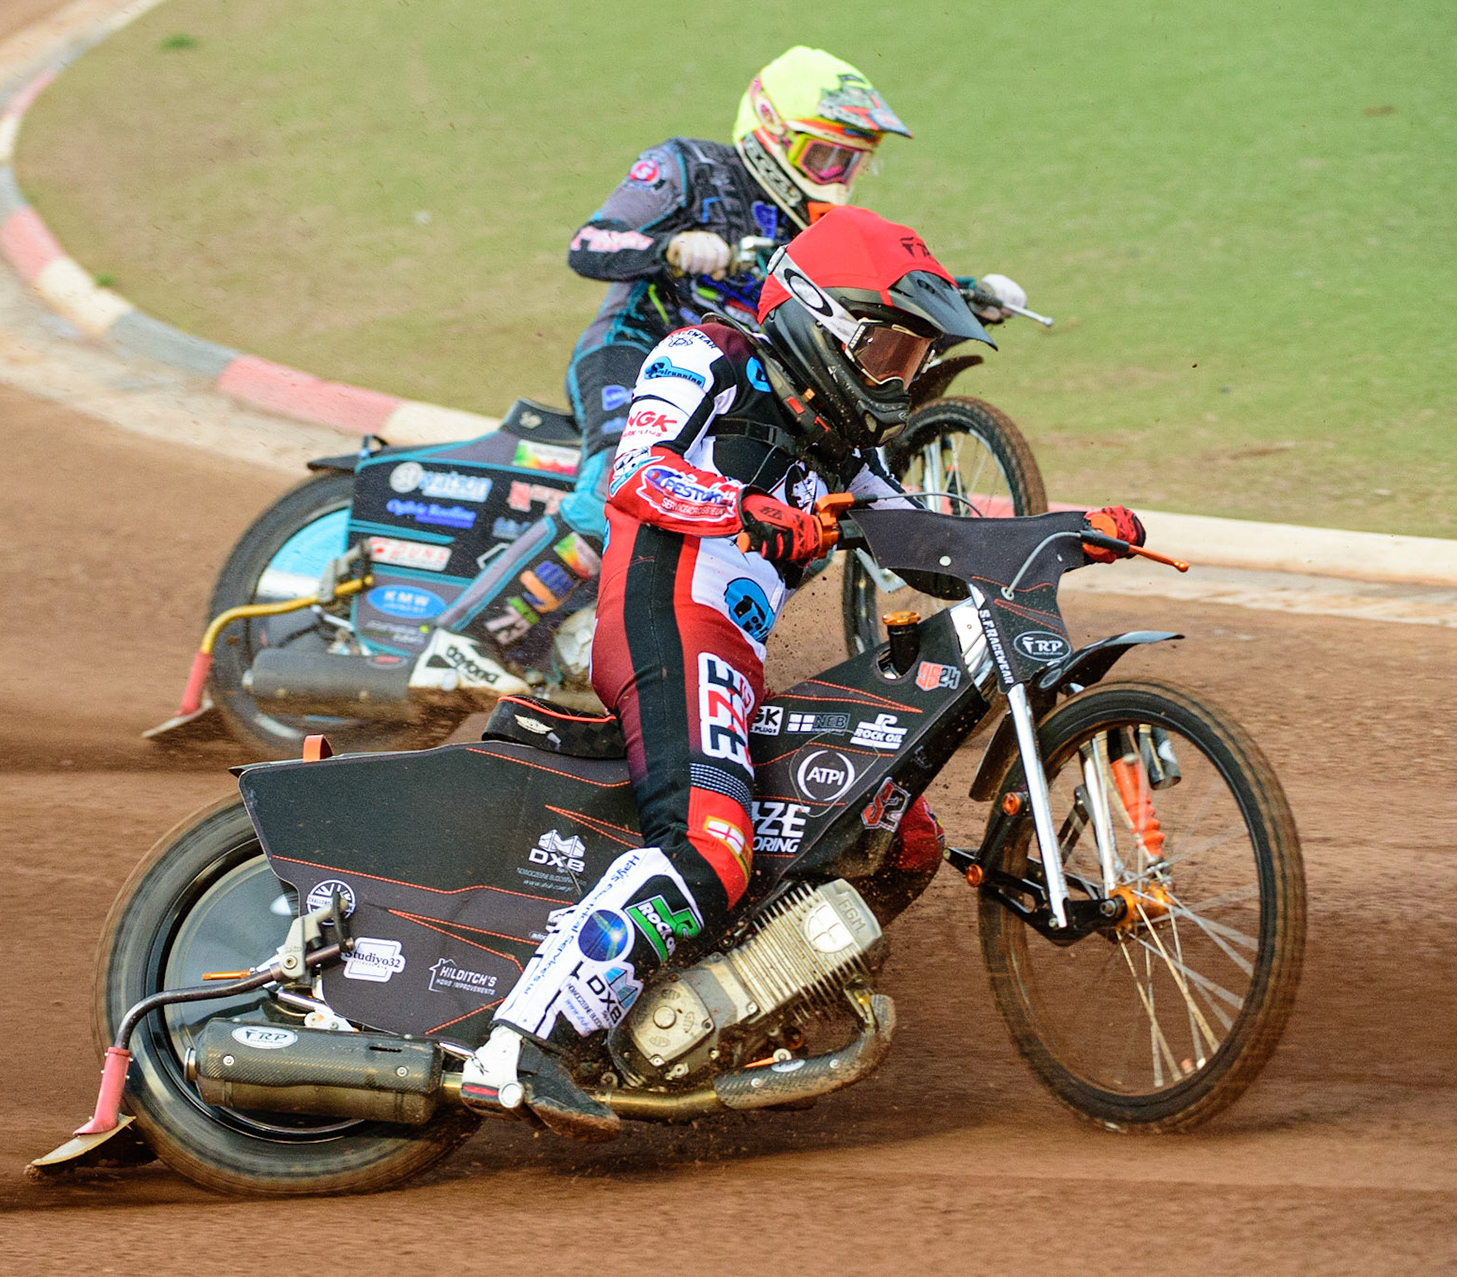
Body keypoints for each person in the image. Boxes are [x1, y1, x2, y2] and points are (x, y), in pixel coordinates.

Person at [462, 206, 1141, 1140]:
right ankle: (522, 1040)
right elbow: (633, 473)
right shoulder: (705, 353)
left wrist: (1067, 533)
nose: (899, 377)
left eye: (911, 358)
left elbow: (933, 544)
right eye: (885, 350)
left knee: (891, 837)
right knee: (709, 844)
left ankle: (720, 1012)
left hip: (732, 655)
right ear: (821, 319)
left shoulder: (844, 448)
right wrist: (743, 506)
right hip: (664, 624)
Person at [410, 47, 916, 697]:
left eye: (852, 161)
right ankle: (464, 638)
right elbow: (590, 244)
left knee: (794, 509)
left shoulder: (820, 229)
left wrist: (955, 293)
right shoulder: (689, 167)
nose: (838, 176)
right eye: (826, 156)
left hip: (731, 386)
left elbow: (868, 289)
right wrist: (671, 249)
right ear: (772, 134)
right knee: (615, 485)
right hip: (636, 346)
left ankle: (615, 629)